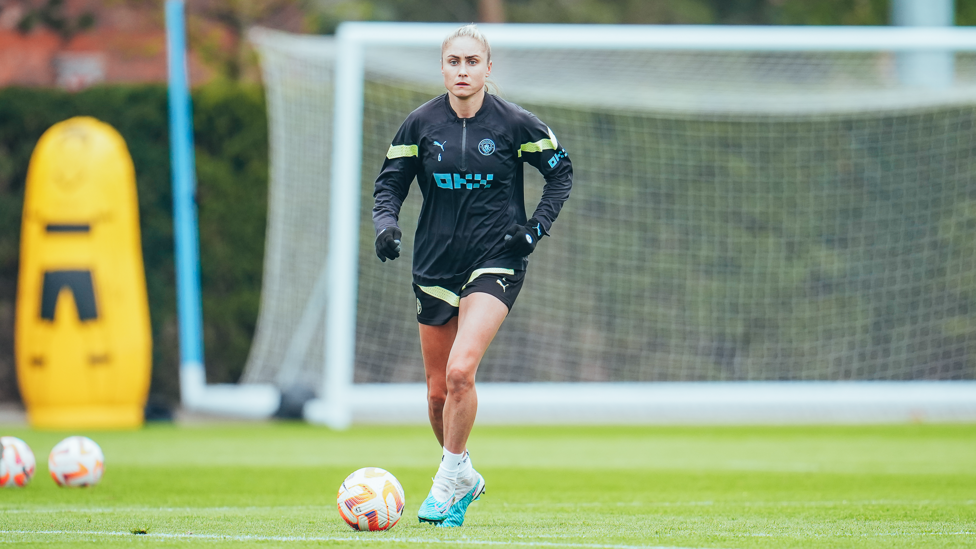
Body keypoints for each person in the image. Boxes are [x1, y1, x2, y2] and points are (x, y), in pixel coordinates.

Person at [372, 24, 573, 527]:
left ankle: (444, 484)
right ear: (442, 68)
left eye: (471, 62)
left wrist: (535, 229)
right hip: (433, 265)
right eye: (453, 62)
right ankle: (462, 472)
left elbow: (561, 172)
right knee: (439, 393)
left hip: (496, 260)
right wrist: (386, 225)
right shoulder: (419, 125)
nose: (462, 70)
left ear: (488, 69)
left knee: (463, 371)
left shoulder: (514, 123)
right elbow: (389, 185)